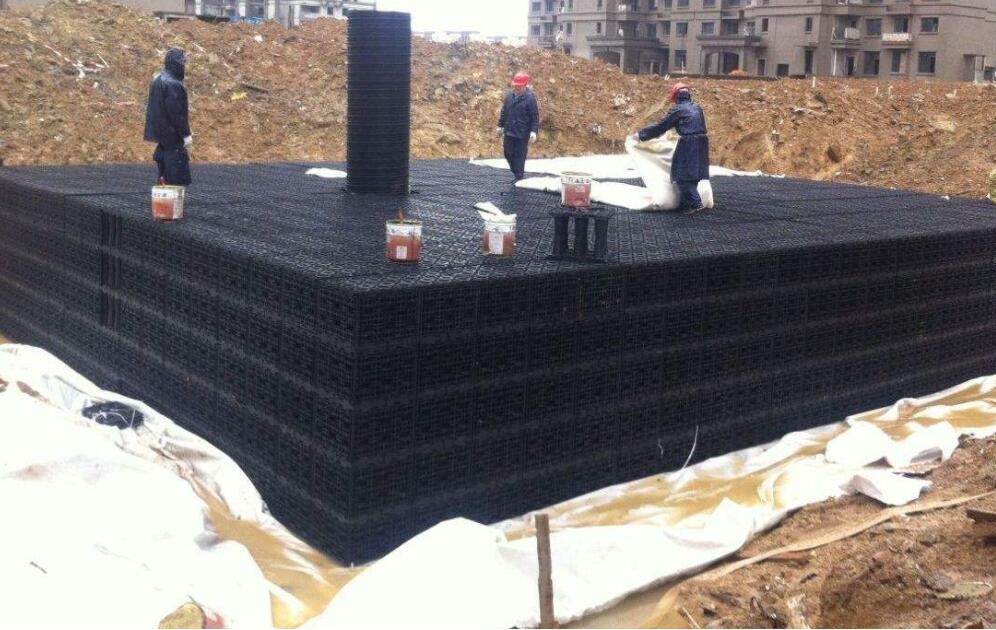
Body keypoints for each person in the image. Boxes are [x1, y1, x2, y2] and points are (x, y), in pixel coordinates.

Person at [633, 82, 710, 213]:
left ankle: (696, 204)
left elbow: (661, 126)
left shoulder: (678, 110)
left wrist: (641, 135)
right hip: (702, 142)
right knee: (693, 174)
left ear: (676, 97)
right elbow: (696, 125)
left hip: (689, 143)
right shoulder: (697, 107)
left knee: (682, 175)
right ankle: (686, 203)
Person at [144, 47, 193, 186]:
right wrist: (185, 134)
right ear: (177, 64)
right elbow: (177, 113)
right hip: (172, 138)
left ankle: (164, 190)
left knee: (164, 173)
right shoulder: (173, 84)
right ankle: (170, 192)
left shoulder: (158, 80)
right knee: (174, 175)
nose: (184, 67)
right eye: (182, 63)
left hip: (162, 137)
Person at [497, 72, 540, 182]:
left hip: (522, 133)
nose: (516, 87)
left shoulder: (530, 99)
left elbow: (534, 117)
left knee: (520, 156)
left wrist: (533, 131)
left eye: (519, 86)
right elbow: (504, 111)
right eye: (515, 85)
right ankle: (517, 173)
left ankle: (519, 177)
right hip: (509, 131)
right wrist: (500, 125)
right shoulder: (509, 97)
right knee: (508, 153)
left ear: (525, 85)